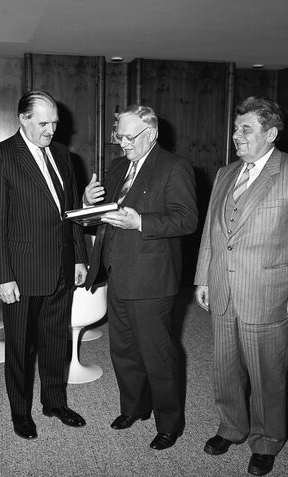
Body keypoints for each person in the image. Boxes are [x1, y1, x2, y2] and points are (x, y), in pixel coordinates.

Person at [194, 96, 288, 476]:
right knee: (225, 367)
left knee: (267, 372)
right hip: (222, 288)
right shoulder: (225, 173)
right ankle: (231, 427)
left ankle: (267, 439)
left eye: (245, 129)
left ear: (270, 133)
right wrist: (203, 275)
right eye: (236, 128)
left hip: (269, 293)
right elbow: (212, 231)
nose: (236, 135)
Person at [84, 104, 198, 450]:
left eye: (129, 137)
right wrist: (88, 202)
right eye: (119, 136)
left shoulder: (174, 167)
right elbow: (99, 215)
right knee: (123, 349)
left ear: (152, 133)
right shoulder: (119, 165)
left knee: (157, 354)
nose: (123, 143)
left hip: (151, 279)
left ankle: (169, 423)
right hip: (117, 273)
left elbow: (187, 220)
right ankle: (134, 408)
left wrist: (141, 223)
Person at [0, 90, 88, 440]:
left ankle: (54, 402)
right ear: (23, 119)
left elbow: (70, 212)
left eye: (55, 123)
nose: (51, 130)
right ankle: (20, 411)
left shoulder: (61, 154)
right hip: (21, 271)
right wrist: (2, 276)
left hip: (61, 264)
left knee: (57, 339)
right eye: (43, 123)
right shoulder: (0, 156)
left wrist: (80, 257)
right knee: (20, 346)